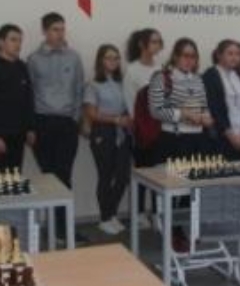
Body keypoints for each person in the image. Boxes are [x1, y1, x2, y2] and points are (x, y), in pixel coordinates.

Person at [149, 38, 213, 251]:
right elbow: (156, 110)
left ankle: (183, 229)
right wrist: (183, 114)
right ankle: (170, 231)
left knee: (192, 189)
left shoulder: (198, 79)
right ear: (175, 56)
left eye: (193, 56)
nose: (189, 60)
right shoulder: (162, 78)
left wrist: (206, 117)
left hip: (197, 140)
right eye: (185, 55)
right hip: (173, 139)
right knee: (170, 189)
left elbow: (204, 106)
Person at [28, 13, 83, 186]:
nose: (60, 34)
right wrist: (31, 126)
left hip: (67, 122)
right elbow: (29, 93)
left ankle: (65, 206)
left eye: (62, 30)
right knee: (48, 176)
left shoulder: (74, 57)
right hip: (43, 122)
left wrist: (75, 120)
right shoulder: (33, 59)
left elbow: (79, 89)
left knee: (64, 174)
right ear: (44, 31)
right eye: (55, 30)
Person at [83, 45, 133, 236]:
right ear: (100, 60)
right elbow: (91, 113)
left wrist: (125, 120)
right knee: (105, 176)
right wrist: (116, 119)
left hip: (122, 133)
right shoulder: (93, 84)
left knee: (122, 176)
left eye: (116, 58)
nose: (113, 61)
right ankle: (105, 219)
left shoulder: (122, 83)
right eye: (109, 58)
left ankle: (111, 214)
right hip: (103, 133)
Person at [0, 24, 35, 171]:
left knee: (15, 178)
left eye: (20, 40)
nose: (18, 44)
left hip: (19, 136)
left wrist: (30, 128)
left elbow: (28, 100)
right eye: (13, 40)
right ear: (1, 42)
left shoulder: (22, 67)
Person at [122, 28, 163, 229]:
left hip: (161, 129)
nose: (157, 45)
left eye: (158, 42)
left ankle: (157, 212)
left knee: (160, 174)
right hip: (142, 131)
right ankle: (138, 214)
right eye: (153, 41)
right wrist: (137, 126)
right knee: (142, 172)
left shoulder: (161, 68)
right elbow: (130, 102)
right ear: (142, 44)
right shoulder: (132, 70)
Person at [203, 40, 240, 159]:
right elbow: (215, 109)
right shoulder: (210, 75)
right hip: (222, 137)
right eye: (230, 53)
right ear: (219, 55)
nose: (235, 58)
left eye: (237, 54)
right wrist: (231, 136)